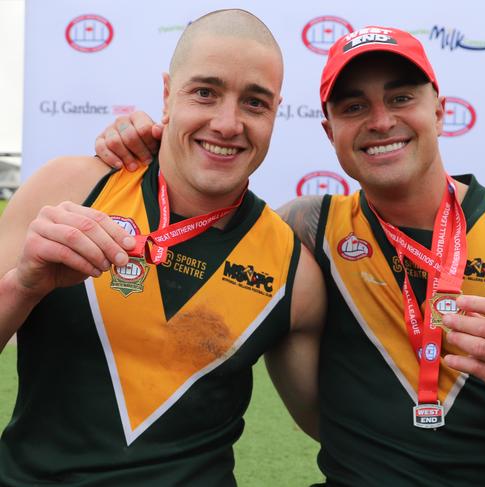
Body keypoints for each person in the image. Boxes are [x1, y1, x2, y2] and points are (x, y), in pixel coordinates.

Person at [93, 25, 485, 486]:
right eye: (355, 107)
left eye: (401, 98)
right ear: (330, 132)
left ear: (440, 111)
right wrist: (143, 141)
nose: (380, 121)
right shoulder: (304, 231)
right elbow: (194, 197)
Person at [0, 9, 325, 485]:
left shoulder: (294, 272)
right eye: (205, 92)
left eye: (254, 103)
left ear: (276, 111)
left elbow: (341, 430)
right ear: (167, 95)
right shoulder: (69, 186)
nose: (228, 123)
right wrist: (24, 286)